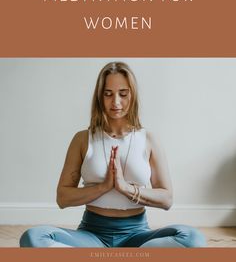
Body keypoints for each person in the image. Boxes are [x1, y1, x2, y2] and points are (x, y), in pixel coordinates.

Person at [20, 62, 206, 248]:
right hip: (91, 236)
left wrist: (124, 188)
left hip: (137, 237)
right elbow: (63, 198)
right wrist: (104, 186)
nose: (116, 102)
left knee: (192, 239)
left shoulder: (149, 139)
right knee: (34, 237)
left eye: (123, 94)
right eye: (108, 94)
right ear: (99, 97)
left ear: (132, 95)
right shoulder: (83, 139)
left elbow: (167, 199)